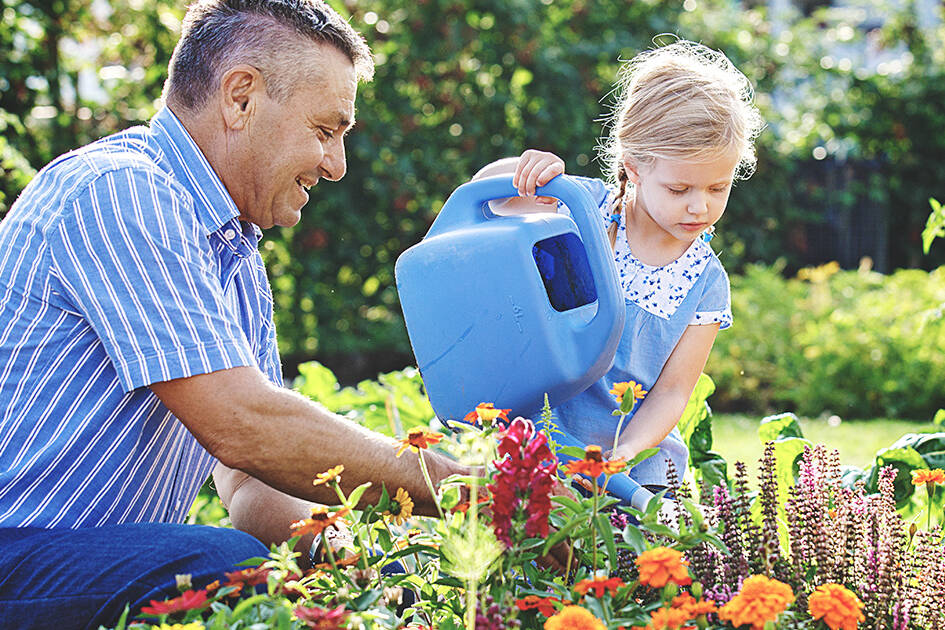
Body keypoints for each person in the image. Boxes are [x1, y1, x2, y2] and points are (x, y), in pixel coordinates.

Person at [0, 2, 468, 628]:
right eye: (325, 131)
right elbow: (243, 426)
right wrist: (456, 487)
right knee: (223, 564)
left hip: (72, 565)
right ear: (241, 97)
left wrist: (359, 566)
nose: (336, 165)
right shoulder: (119, 192)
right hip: (16, 551)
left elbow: (251, 485)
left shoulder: (234, 261)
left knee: (279, 572)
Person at [507, 40, 764, 501]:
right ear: (634, 168)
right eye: (680, 187)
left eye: (717, 187)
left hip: (637, 472)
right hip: (541, 448)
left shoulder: (705, 284)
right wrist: (522, 170)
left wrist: (620, 456)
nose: (699, 205)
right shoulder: (582, 210)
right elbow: (493, 205)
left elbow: (671, 393)